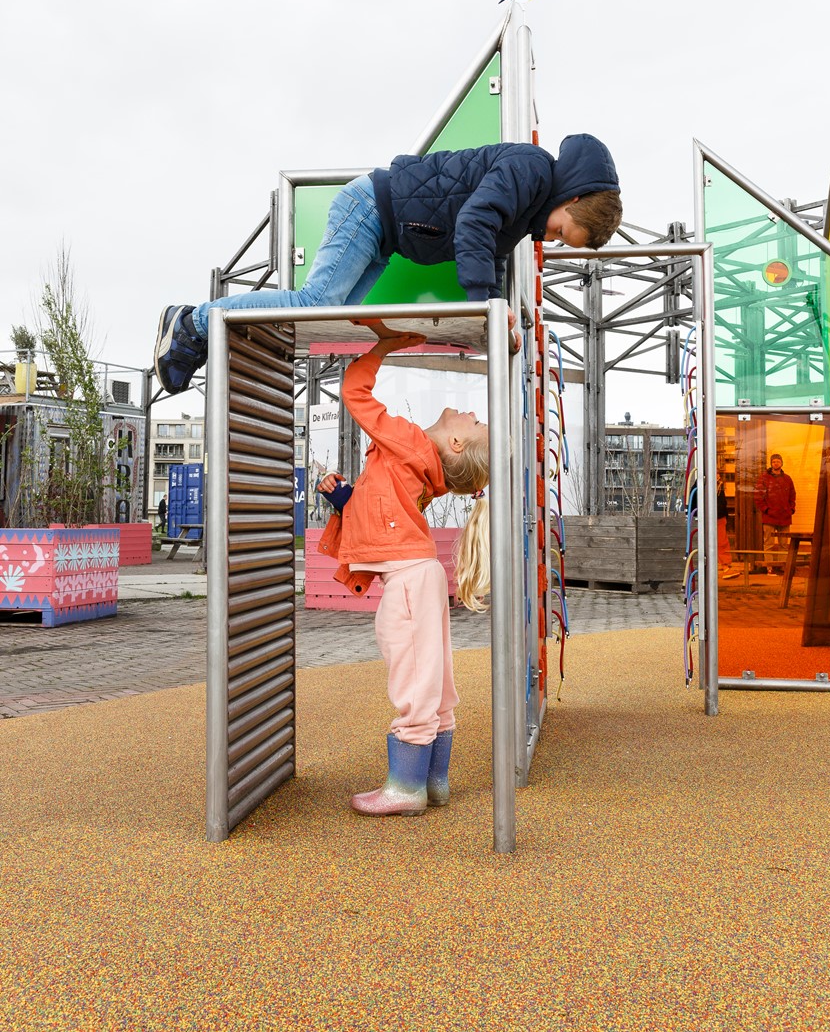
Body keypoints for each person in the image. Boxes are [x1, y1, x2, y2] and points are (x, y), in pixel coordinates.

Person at [153, 134, 622, 393]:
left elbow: (493, 252)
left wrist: (496, 314)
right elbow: (475, 223)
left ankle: (205, 333)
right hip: (371, 209)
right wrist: (486, 309)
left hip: (386, 234)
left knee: (323, 317)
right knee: (316, 301)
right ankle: (193, 323)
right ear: (572, 196)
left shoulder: (530, 204)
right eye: (563, 230)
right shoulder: (530, 169)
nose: (554, 237)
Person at [316, 329, 490, 818]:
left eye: (474, 421)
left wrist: (385, 347)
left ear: (454, 441)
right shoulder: (424, 471)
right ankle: (434, 780)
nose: (470, 412)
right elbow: (382, 507)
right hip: (420, 573)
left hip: (410, 580)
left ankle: (405, 787)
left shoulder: (411, 441)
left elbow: (354, 391)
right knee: (434, 677)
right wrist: (348, 500)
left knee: (413, 676)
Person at [753, 453, 796, 573]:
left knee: (784, 545)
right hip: (769, 517)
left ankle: (782, 567)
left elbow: (792, 495)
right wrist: (766, 510)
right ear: (771, 464)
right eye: (773, 461)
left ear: (781, 463)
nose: (776, 463)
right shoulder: (764, 478)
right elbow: (758, 496)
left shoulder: (787, 479)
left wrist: (791, 509)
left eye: (778, 461)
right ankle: (769, 568)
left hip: (785, 516)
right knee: (769, 544)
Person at [716, 472, 738, 579]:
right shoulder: (712, 487)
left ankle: (725, 566)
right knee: (721, 542)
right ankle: (725, 566)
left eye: (718, 474)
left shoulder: (719, 487)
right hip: (714, 516)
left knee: (722, 542)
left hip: (719, 517)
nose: (717, 476)